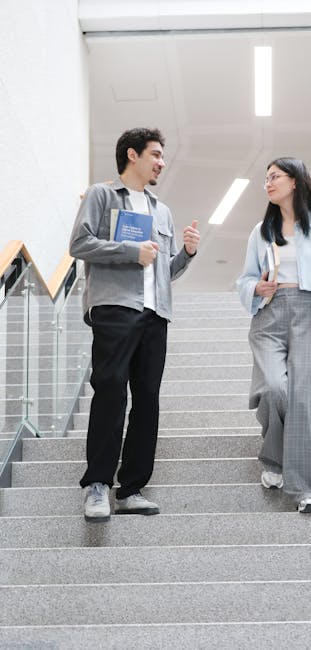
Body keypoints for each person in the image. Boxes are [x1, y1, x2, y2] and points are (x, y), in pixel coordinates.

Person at [69, 128, 200, 522]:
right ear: (132, 154)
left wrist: (187, 253)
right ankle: (97, 484)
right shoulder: (102, 195)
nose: (162, 162)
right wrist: (131, 251)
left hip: (155, 313)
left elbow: (164, 271)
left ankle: (131, 489)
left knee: (147, 401)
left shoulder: (163, 211)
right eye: (155, 154)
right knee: (111, 392)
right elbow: (79, 244)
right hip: (115, 308)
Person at [237, 157, 311, 513]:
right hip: (269, 314)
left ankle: (306, 490)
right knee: (274, 388)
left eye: (274, 176)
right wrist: (255, 287)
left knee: (303, 401)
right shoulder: (261, 231)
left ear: (295, 181)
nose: (268, 183)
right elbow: (245, 278)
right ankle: (276, 458)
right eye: (266, 178)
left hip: (310, 310)